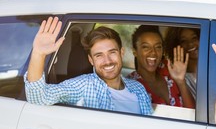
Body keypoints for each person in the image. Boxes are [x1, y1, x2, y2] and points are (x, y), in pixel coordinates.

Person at [25, 17, 153, 115]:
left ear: (122, 53)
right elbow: (39, 98)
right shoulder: (83, 86)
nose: (107, 61)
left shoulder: (138, 89)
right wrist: (38, 54)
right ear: (91, 60)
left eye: (112, 52)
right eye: (99, 55)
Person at [128, 25, 195, 108]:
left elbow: (192, 112)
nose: (153, 52)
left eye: (158, 47)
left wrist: (181, 81)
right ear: (135, 52)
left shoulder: (169, 70)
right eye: (145, 47)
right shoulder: (130, 86)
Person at [164, 27, 200, 98]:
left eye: (194, 38)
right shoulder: (177, 77)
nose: (190, 44)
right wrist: (181, 81)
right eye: (183, 41)